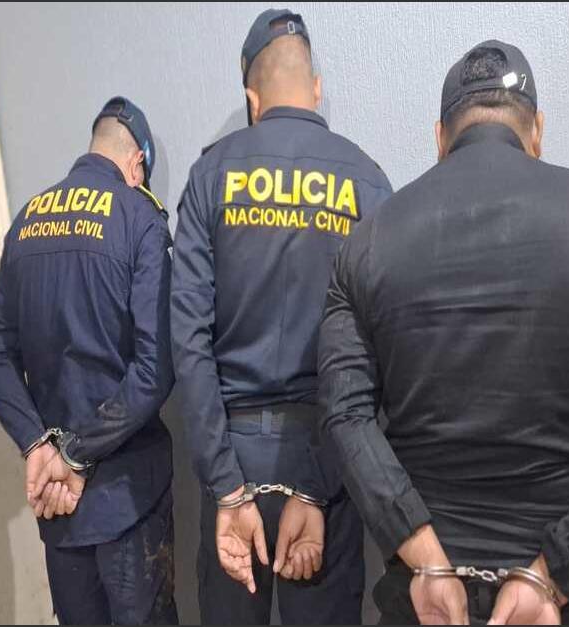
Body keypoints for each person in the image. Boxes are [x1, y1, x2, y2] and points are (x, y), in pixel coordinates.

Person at [319, 39, 569, 625]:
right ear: (537, 130)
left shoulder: (367, 243)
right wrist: (553, 578)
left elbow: (343, 416)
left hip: (423, 600)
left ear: (440, 137)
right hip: (562, 607)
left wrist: (424, 556)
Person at [170, 8, 392, 624]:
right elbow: (382, 348)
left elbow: (188, 341)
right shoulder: (367, 182)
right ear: (315, 87)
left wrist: (226, 486)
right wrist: (319, 482)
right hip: (329, 454)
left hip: (231, 454)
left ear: (252, 98)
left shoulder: (211, 175)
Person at [0, 96, 178, 625]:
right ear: (137, 164)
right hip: (126, 498)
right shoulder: (139, 219)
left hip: (58, 506)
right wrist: (76, 454)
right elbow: (154, 370)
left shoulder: (28, 221)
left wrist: (38, 445)